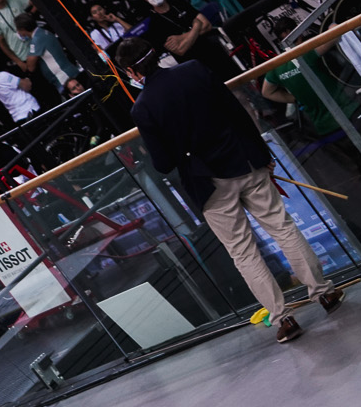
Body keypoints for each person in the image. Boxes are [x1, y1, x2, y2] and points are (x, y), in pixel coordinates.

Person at [119, 37, 342, 343]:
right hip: (244, 160)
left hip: (206, 183)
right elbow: (236, 112)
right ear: (156, 54)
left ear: (132, 72)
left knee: (243, 252)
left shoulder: (142, 109)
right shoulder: (194, 69)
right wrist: (263, 155)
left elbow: (163, 163)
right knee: (283, 228)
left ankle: (283, 319)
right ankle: (324, 294)